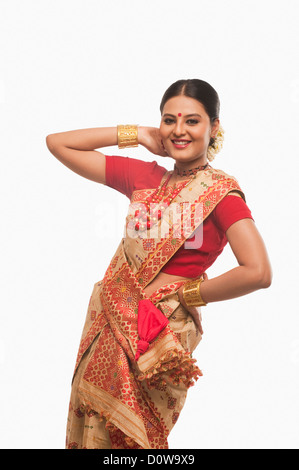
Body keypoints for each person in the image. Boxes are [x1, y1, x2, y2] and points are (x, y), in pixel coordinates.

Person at [46, 79, 272, 449]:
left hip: (159, 336)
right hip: (110, 324)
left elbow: (258, 271)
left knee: (138, 440)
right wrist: (137, 134)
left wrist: (187, 295)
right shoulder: (143, 177)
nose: (179, 130)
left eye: (192, 121)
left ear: (214, 127)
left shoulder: (220, 193)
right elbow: (58, 143)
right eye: (170, 120)